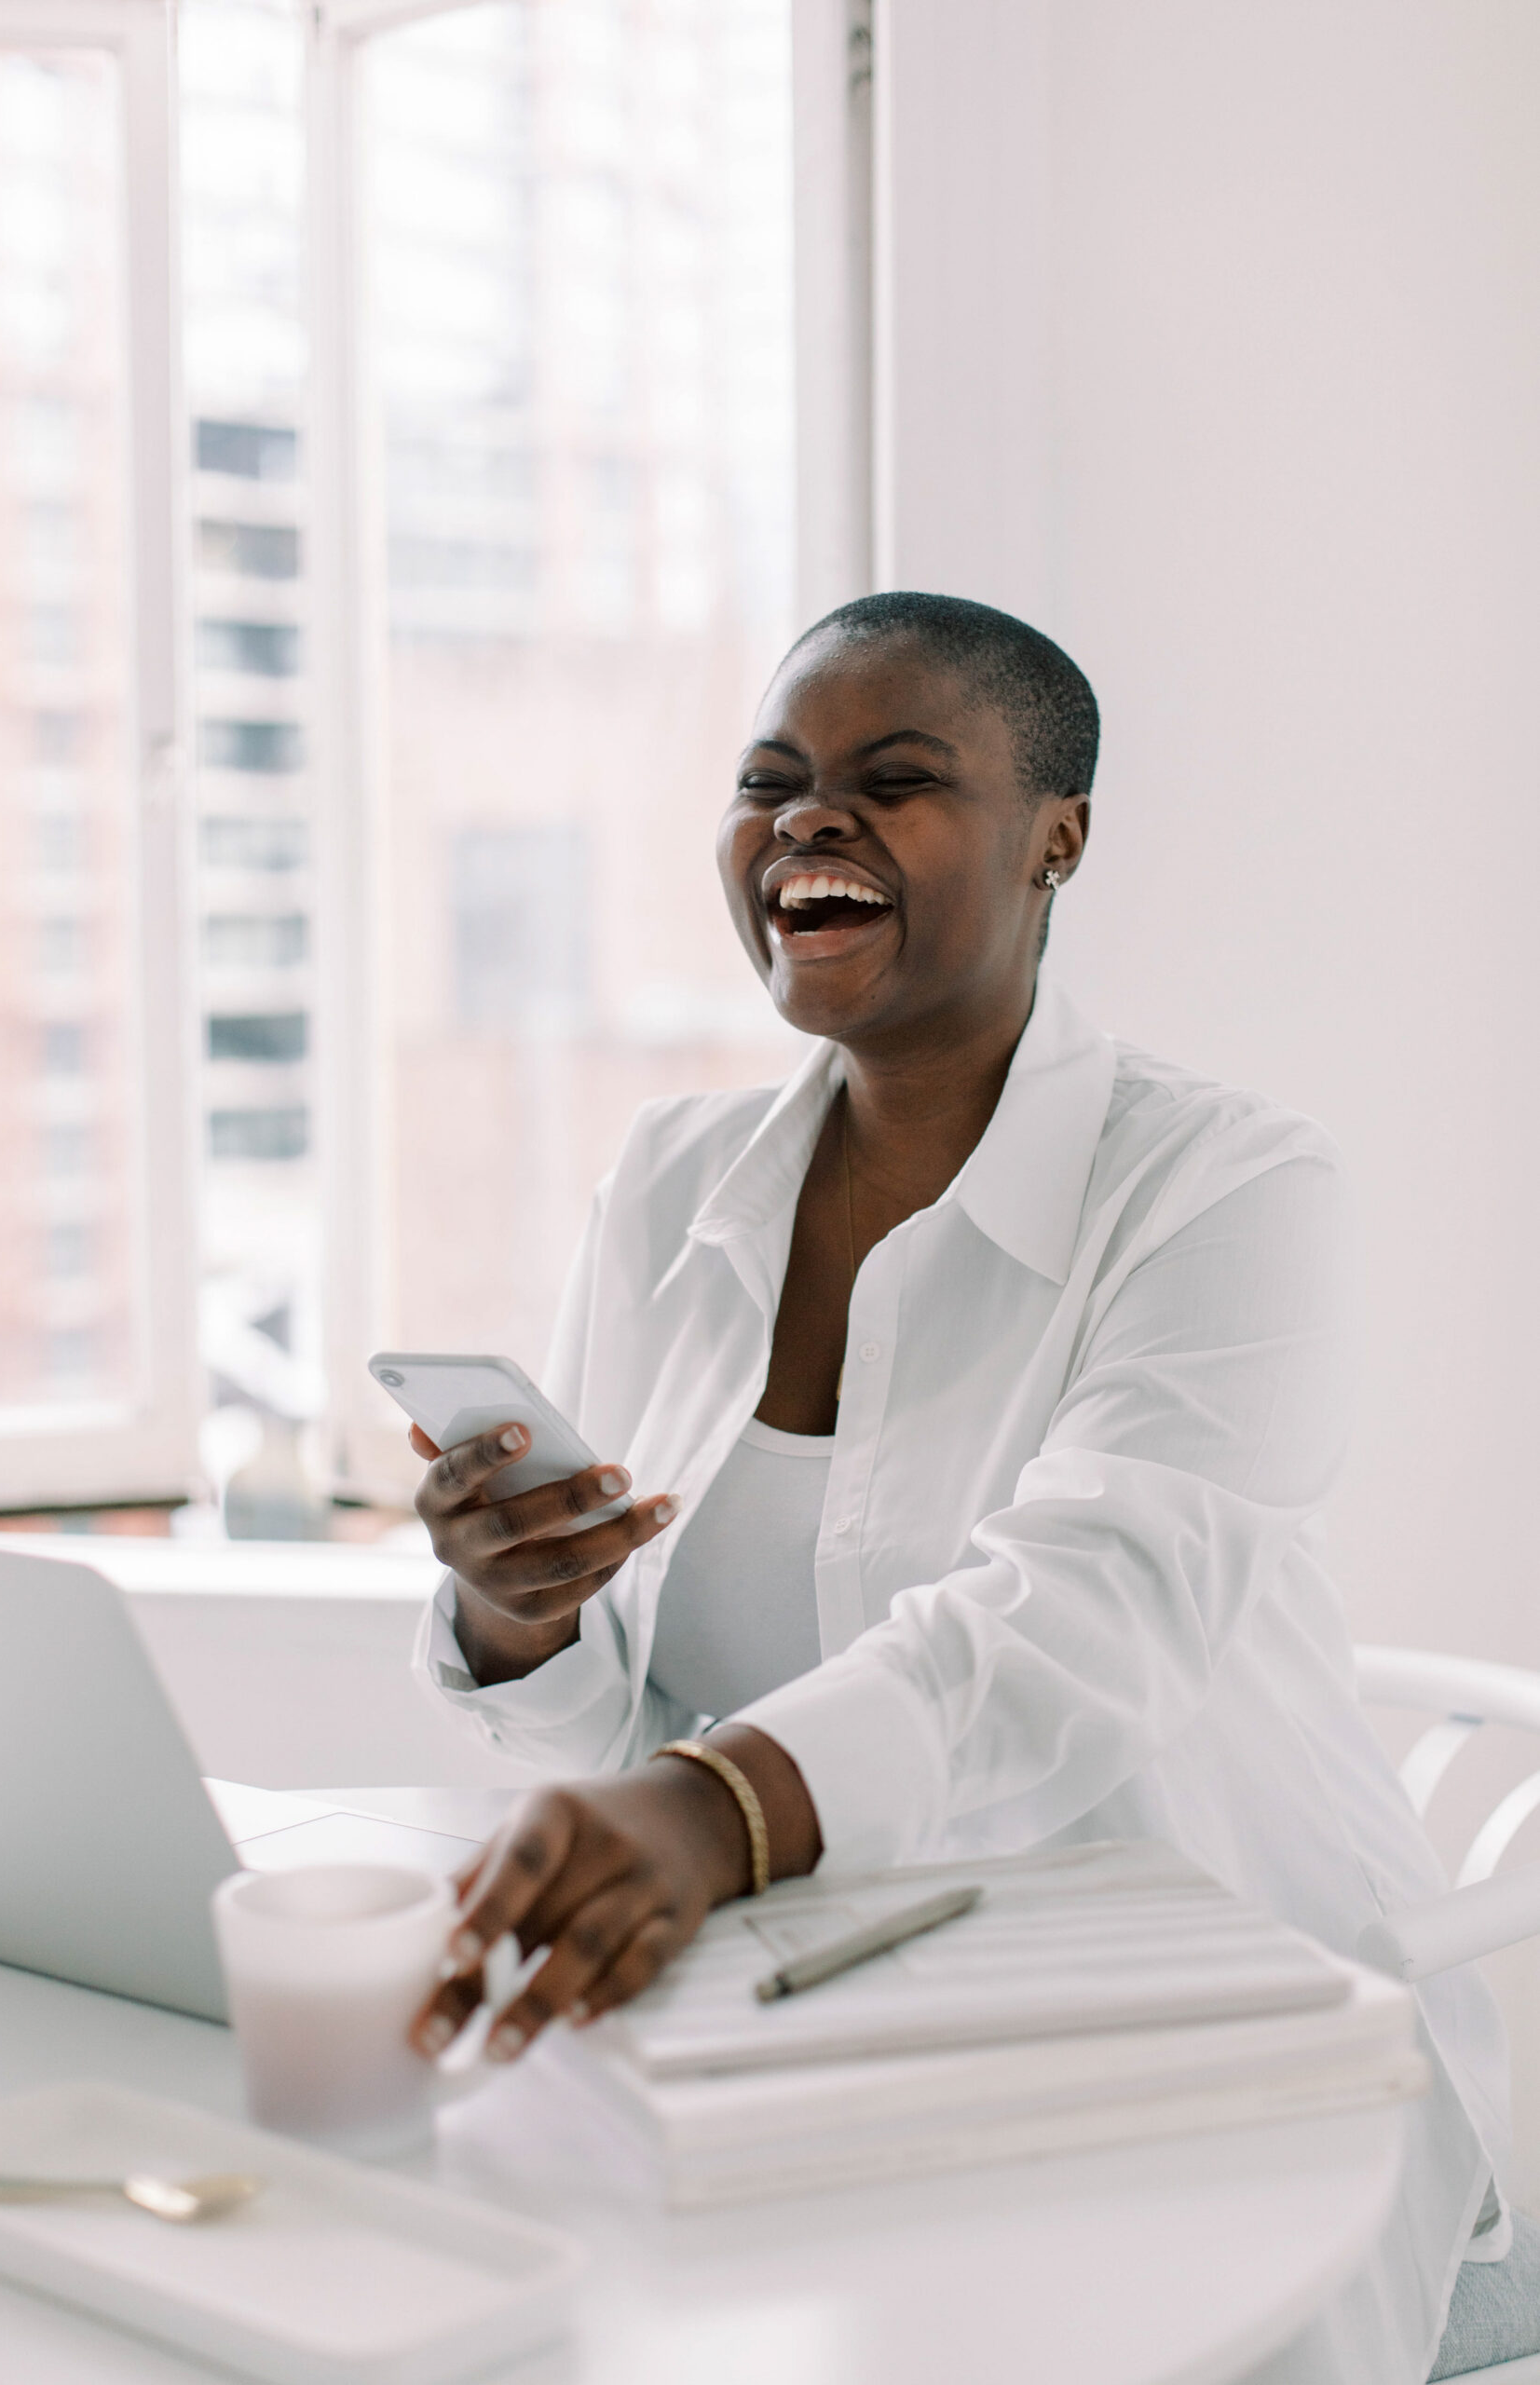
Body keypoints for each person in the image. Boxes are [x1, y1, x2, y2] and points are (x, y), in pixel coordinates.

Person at [406, 593, 1521, 2384]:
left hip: (1233, 2032)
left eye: (892, 779)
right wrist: (517, 1611)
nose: (805, 821)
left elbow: (1080, 1614)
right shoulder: (667, 1179)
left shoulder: (1231, 1189)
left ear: (1056, 839)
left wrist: (708, 1814)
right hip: (834, 2015)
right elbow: (622, 1716)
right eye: (768, 781)